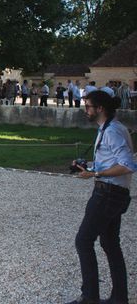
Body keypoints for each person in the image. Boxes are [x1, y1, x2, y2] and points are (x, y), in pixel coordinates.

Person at [66, 90, 136, 304]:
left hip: (108, 193)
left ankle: (90, 298)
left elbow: (127, 165)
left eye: (88, 106)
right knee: (110, 243)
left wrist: (96, 173)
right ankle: (119, 297)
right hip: (114, 192)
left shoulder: (112, 131)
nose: (85, 110)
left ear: (100, 109)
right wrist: (88, 166)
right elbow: (112, 161)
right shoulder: (109, 128)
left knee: (83, 240)